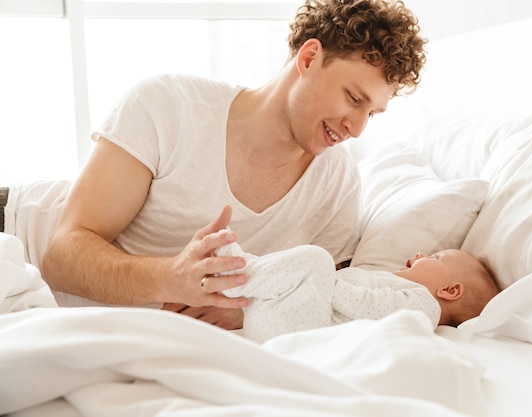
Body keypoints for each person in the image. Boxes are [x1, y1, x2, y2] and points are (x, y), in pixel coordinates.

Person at [37, 0, 427, 328]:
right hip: (18, 235)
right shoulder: (168, 106)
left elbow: (321, 299)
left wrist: (243, 311)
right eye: (354, 99)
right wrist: (172, 279)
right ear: (309, 58)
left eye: (372, 113)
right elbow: (61, 257)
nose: (357, 128)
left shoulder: (338, 183)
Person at [216, 233, 501, 343]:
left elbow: (368, 306)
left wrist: (329, 280)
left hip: (303, 332)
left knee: (317, 259)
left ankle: (238, 275)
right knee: (305, 265)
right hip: (284, 323)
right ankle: (241, 271)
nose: (420, 255)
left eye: (436, 258)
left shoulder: (424, 307)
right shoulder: (401, 288)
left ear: (450, 291)